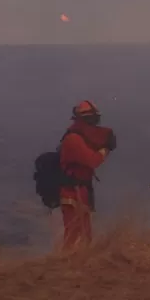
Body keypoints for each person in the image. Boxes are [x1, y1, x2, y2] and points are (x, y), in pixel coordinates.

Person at [58, 100, 116, 250]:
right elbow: (92, 161)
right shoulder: (73, 139)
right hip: (72, 193)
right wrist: (105, 149)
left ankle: (75, 266)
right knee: (73, 235)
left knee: (85, 236)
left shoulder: (78, 137)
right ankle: (65, 266)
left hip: (81, 191)